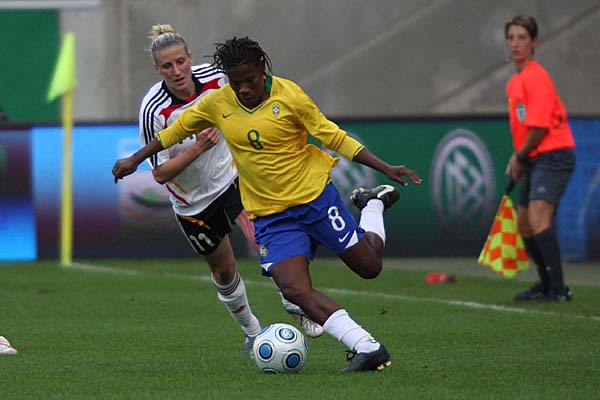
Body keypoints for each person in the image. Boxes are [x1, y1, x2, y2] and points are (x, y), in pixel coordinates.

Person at [113, 36, 422, 372]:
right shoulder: (219, 101)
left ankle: (373, 205)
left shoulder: (290, 96)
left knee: (369, 267)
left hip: (315, 200)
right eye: (236, 83)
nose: (243, 89)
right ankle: (367, 347)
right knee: (293, 289)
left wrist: (385, 167)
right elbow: (173, 133)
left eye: (249, 81)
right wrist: (134, 159)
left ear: (262, 71)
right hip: (271, 216)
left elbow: (333, 137)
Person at [136, 25, 322, 355]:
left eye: (180, 61)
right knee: (224, 270)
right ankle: (252, 332)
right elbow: (160, 173)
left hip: (234, 178)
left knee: (263, 238)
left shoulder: (217, 78)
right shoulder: (154, 110)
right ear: (157, 69)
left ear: (190, 57)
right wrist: (197, 148)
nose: (176, 71)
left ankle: (293, 300)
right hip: (192, 203)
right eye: (167, 66)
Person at [504, 16, 576, 303]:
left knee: (538, 218)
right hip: (533, 156)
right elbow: (524, 127)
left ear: (534, 42)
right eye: (511, 38)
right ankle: (546, 285)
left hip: (554, 154)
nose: (515, 43)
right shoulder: (515, 82)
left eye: (522, 37)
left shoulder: (537, 77)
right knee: (524, 223)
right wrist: (518, 156)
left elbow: (540, 127)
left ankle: (559, 290)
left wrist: (520, 156)